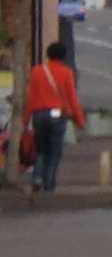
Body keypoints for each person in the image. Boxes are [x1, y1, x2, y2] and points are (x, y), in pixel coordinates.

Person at [24, 41, 84, 193]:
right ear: (63, 56)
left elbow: (31, 97)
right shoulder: (66, 73)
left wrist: (25, 118)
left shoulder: (37, 71)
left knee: (41, 149)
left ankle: (37, 177)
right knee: (55, 150)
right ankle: (49, 184)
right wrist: (80, 119)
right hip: (57, 113)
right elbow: (72, 98)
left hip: (39, 113)